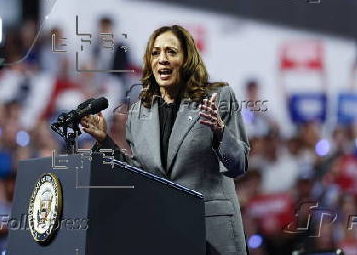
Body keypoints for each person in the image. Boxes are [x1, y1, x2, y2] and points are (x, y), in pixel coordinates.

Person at [80, 25, 250, 255]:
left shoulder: (217, 97)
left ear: (187, 58)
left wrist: (219, 130)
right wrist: (104, 142)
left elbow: (238, 165)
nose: (162, 59)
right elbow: (139, 175)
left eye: (171, 51)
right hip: (167, 232)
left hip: (211, 231)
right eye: (155, 52)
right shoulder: (139, 113)